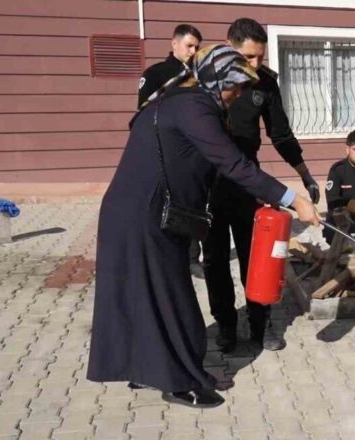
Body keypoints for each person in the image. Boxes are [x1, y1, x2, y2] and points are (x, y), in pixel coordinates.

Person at [87, 45, 319, 409]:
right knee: (172, 299)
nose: (237, 95)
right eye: (234, 87)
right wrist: (293, 198)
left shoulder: (178, 100)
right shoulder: (194, 108)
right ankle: (180, 382)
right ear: (216, 78)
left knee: (146, 296)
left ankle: (147, 369)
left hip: (134, 212)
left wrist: (259, 197)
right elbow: (233, 164)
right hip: (145, 216)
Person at [203, 18, 320, 353]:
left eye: (260, 57)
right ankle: (226, 325)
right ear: (229, 47)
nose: (255, 64)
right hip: (209, 182)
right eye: (248, 57)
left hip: (247, 183)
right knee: (214, 260)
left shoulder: (265, 84)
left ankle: (261, 323)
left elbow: (281, 135)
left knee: (256, 257)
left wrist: (305, 174)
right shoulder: (207, 81)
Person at [136, 23, 206, 278]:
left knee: (193, 203)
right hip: (163, 153)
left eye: (197, 47)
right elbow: (143, 116)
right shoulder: (156, 74)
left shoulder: (200, 76)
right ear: (174, 44)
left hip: (193, 152)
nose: (193, 51)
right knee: (161, 206)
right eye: (189, 45)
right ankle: (161, 258)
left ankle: (192, 258)